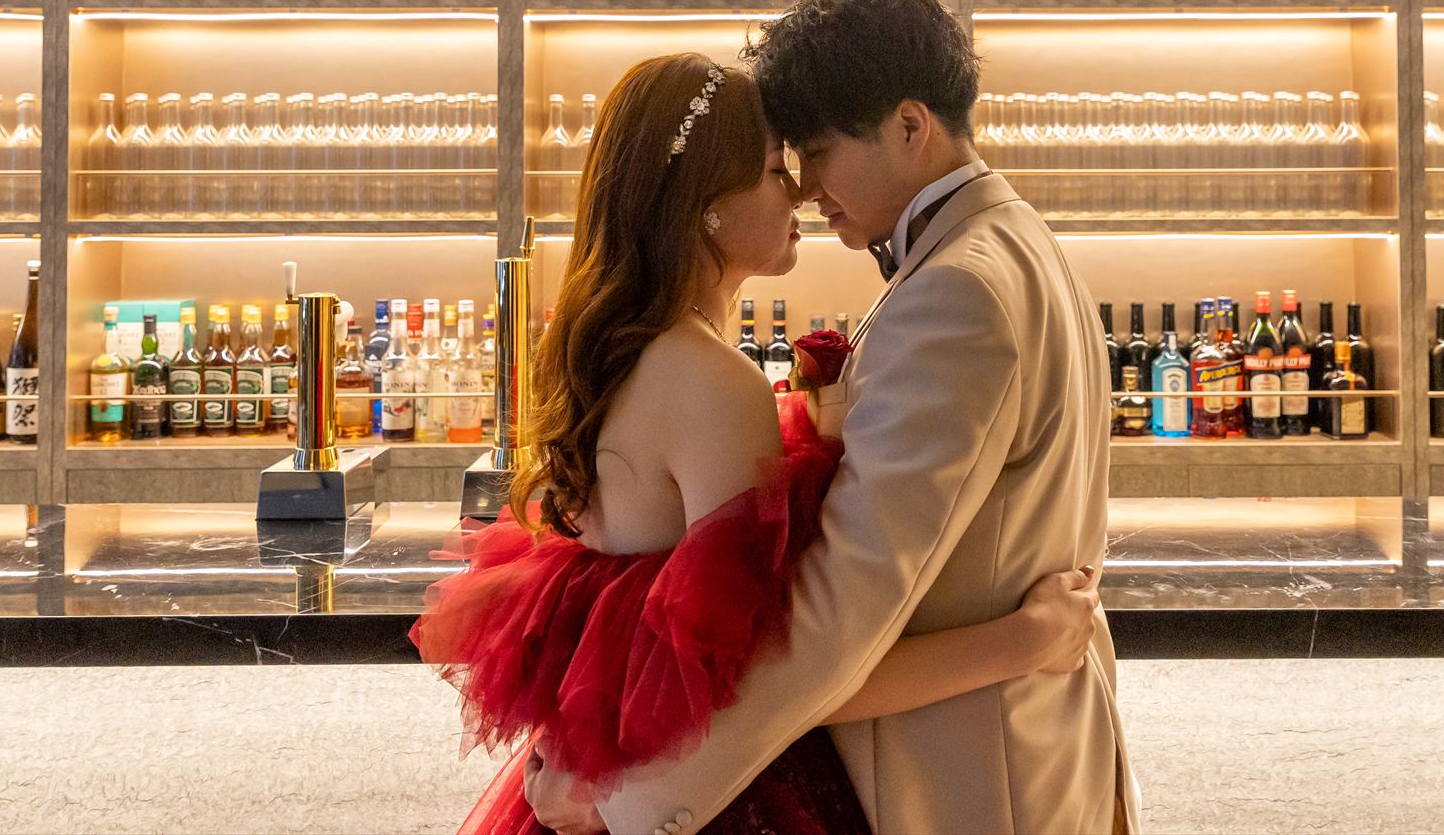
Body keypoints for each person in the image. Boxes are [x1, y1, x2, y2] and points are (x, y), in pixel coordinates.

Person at [411, 47, 1105, 835]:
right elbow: (788, 672)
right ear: (705, 205)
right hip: (725, 791)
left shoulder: (639, 356)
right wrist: (1021, 641)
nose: (801, 190)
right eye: (778, 169)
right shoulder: (714, 382)